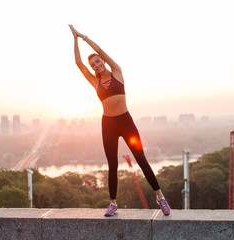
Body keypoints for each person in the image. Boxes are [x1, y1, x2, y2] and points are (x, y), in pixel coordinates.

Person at [69, 25, 171, 217]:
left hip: (126, 121)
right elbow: (78, 63)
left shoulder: (116, 71)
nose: (96, 65)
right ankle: (113, 204)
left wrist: (83, 36)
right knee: (112, 164)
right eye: (93, 65)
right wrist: (73, 39)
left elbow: (99, 51)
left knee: (141, 159)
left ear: (103, 62)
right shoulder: (94, 81)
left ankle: (160, 198)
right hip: (108, 124)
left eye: (98, 62)